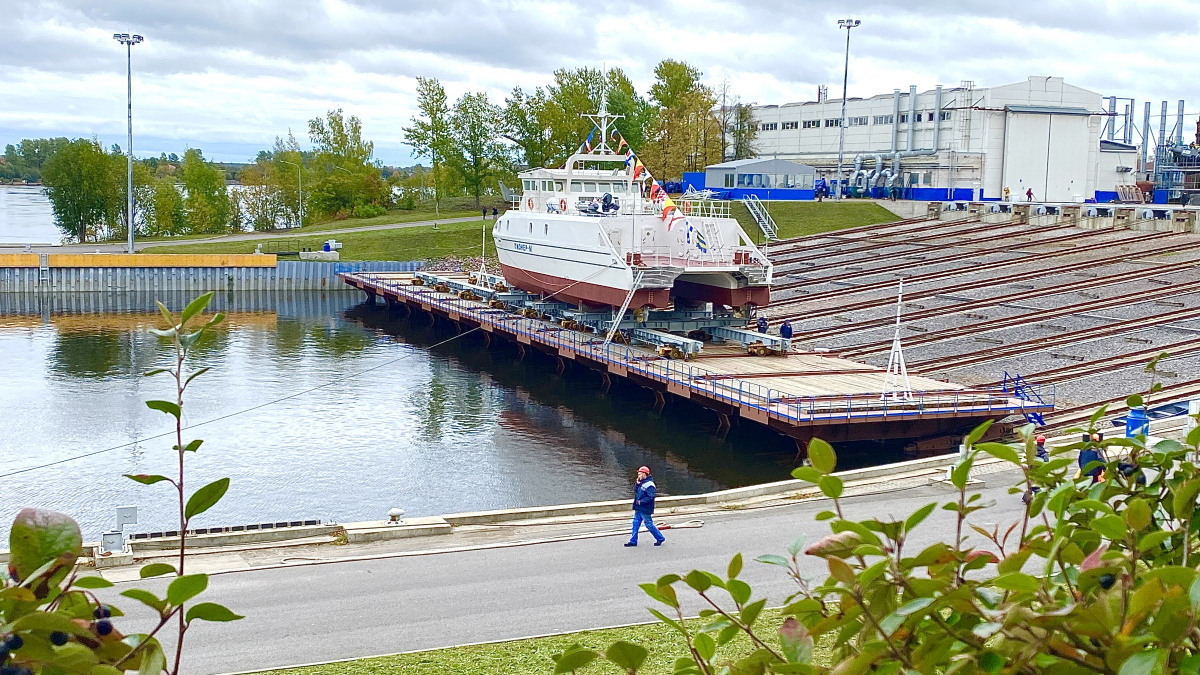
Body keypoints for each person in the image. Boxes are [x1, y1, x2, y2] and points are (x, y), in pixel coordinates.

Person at [626, 466, 665, 547]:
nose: (638, 475)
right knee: (635, 523)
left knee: (649, 524)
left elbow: (651, 497)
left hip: (645, 509)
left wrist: (641, 502)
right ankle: (633, 541)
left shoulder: (650, 485)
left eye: (640, 474)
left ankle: (660, 538)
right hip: (638, 508)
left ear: (644, 474)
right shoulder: (641, 482)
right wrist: (637, 484)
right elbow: (636, 491)